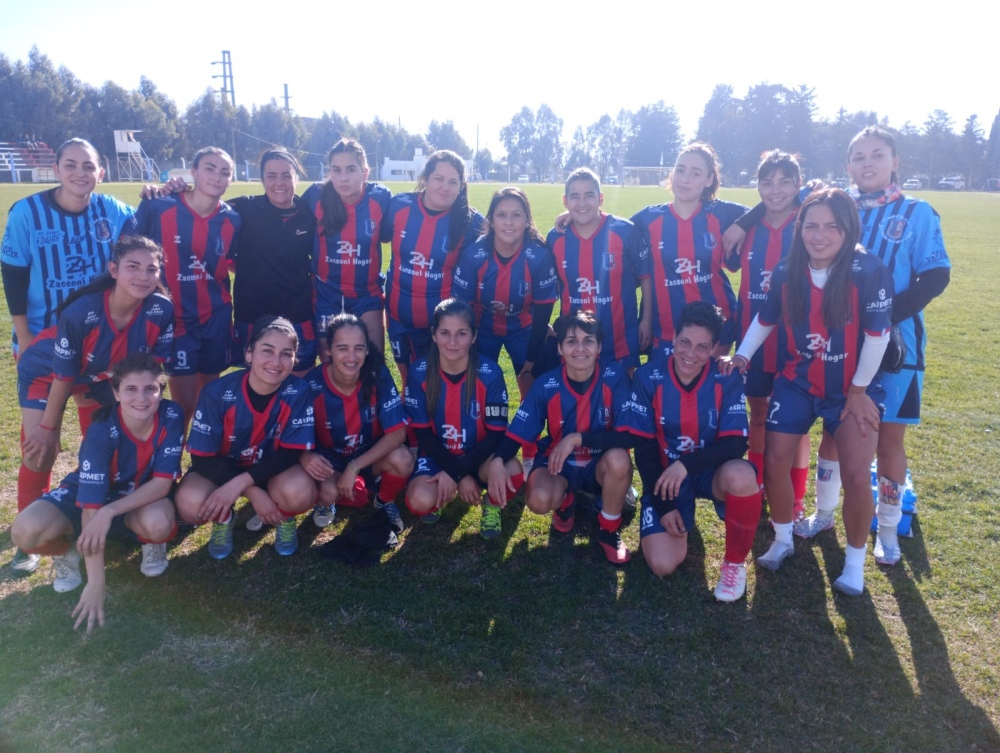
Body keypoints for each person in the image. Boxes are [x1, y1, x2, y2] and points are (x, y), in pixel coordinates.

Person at [797, 127, 951, 567]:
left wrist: (881, 317)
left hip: (897, 348)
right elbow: (779, 194)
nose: (868, 164)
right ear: (848, 165)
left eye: (877, 155)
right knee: (833, 430)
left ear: (895, 161)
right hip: (840, 344)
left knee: (889, 441)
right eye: (859, 157)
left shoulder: (918, 212)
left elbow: (936, 275)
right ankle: (824, 514)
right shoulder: (837, 206)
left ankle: (888, 530)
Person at [727, 189, 894, 596]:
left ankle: (854, 563)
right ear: (800, 228)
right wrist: (742, 356)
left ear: (848, 229)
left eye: (831, 227)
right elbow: (765, 319)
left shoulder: (868, 270)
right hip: (797, 383)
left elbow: (878, 336)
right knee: (774, 461)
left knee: (856, 475)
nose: (819, 236)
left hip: (853, 390)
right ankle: (783, 538)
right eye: (811, 226)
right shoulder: (788, 270)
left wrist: (857, 391)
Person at [13, 236, 173, 575]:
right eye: (133, 267)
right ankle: (31, 543)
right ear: (113, 269)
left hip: (101, 377)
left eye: (151, 269)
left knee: (102, 443)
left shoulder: (160, 308)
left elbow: (151, 366)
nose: (143, 276)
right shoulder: (83, 311)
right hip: (47, 375)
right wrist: (47, 428)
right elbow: (63, 375)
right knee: (39, 451)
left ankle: (106, 514)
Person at [10, 354, 184, 633]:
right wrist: (96, 581)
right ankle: (67, 552)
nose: (142, 398)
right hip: (90, 497)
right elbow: (91, 506)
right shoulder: (101, 430)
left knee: (159, 523)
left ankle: (148, 541)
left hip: (138, 498)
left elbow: (163, 484)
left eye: (151, 388)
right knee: (24, 531)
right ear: (115, 393)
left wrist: (110, 511)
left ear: (161, 391)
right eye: (130, 389)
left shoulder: (172, 415)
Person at [628, 301, 760, 601]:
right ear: (673, 338)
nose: (690, 354)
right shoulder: (649, 377)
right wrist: (664, 508)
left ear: (715, 348)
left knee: (741, 475)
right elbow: (644, 448)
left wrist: (686, 465)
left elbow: (736, 443)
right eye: (685, 342)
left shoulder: (726, 378)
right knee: (662, 564)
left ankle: (734, 564)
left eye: (702, 347)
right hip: (664, 478)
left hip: (707, 473)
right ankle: (678, 516)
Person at [488, 310, 633, 564]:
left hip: (601, 465)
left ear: (599, 347)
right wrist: (499, 460)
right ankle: (566, 501)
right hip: (559, 464)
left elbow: (628, 435)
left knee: (620, 460)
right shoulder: (547, 384)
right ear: (560, 348)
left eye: (588, 340)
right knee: (538, 498)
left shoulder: (615, 377)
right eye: (571, 341)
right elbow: (519, 430)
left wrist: (578, 438)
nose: (580, 348)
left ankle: (609, 531)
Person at [175, 316, 316, 559]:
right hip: (222, 469)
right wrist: (252, 493)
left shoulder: (299, 391)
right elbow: (200, 456)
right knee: (190, 504)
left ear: (295, 359)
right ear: (248, 354)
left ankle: (285, 516)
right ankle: (225, 517)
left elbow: (291, 452)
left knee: (299, 493)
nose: (276, 361)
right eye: (267, 351)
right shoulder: (217, 392)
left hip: (273, 471)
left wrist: (244, 484)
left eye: (286, 353)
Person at [729, 151, 811, 516]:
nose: (775, 190)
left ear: (798, 184)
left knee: (798, 422)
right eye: (767, 182)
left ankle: (795, 496)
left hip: (798, 340)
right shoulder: (748, 227)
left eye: (784, 182)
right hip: (755, 338)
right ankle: (761, 483)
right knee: (759, 414)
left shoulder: (809, 223)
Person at [133, 146, 241, 424]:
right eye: (209, 168)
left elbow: (230, 262)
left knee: (208, 397)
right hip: (176, 320)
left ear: (231, 179)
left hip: (216, 317)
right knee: (184, 406)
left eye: (225, 172)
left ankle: (201, 461)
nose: (217, 177)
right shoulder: (160, 207)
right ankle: (169, 464)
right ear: (193, 172)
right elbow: (128, 254)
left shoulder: (232, 219)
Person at [2, 138, 135, 357]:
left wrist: (158, 191)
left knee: (91, 392)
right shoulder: (26, 213)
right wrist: (24, 334)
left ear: (100, 174)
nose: (80, 173)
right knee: (47, 392)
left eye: (88, 167)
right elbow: (13, 275)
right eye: (70, 165)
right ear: (56, 170)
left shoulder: (113, 210)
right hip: (41, 332)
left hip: (96, 332)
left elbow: (149, 216)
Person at [404, 299, 522, 540]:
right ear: (434, 335)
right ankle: (440, 495)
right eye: (445, 333)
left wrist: (460, 473)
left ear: (474, 336)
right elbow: (423, 435)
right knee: (418, 501)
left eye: (462, 333)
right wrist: (455, 473)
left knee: (513, 472)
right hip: (438, 456)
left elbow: (496, 433)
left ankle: (491, 503)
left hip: (479, 455)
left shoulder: (490, 373)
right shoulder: (419, 372)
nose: (453, 342)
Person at [630, 142, 746, 358]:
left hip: (717, 326)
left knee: (708, 390)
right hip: (665, 329)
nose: (685, 179)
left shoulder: (722, 212)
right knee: (666, 391)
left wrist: (743, 224)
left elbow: (770, 208)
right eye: (680, 170)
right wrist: (573, 214)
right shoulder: (648, 218)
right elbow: (609, 228)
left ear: (709, 179)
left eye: (695, 173)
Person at [299, 313, 414, 529]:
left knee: (403, 460)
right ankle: (327, 501)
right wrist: (306, 456)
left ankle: (383, 499)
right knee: (327, 491)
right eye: (342, 348)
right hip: (330, 460)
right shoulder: (312, 384)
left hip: (368, 457)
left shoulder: (376, 375)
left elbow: (398, 433)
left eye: (359, 348)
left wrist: (355, 467)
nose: (351, 357)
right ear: (328, 350)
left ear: (367, 349)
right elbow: (293, 435)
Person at [381, 150, 486, 384]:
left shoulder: (471, 221)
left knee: (438, 385)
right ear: (426, 178)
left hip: (443, 326)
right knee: (409, 383)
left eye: (453, 182)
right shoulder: (400, 205)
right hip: (398, 317)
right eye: (439, 178)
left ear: (461, 187)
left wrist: (568, 217)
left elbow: (509, 232)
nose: (445, 187)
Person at [453, 186, 558, 402]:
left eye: (516, 215)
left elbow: (543, 312)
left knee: (530, 386)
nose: (509, 222)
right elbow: (462, 311)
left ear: (527, 220)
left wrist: (530, 361)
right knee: (476, 384)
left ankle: (527, 433)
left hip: (524, 329)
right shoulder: (474, 255)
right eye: (501, 215)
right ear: (491, 220)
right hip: (483, 328)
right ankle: (480, 430)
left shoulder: (538, 256)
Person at [547, 168, 652, 368]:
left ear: (601, 198)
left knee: (623, 397)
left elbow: (646, 277)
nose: (583, 203)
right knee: (578, 397)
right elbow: (549, 287)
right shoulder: (556, 237)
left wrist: (646, 320)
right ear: (565, 201)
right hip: (575, 344)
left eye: (589, 195)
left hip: (621, 339)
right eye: (575, 197)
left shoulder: (625, 232)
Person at [226, 148, 318, 373]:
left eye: (286, 175)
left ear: (297, 177)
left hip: (298, 313)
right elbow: (202, 204)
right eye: (271, 176)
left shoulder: (309, 214)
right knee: (256, 380)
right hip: (252, 314)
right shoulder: (244, 208)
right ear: (262, 179)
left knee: (299, 382)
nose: (280, 182)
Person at [303, 139, 391, 358]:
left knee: (373, 360)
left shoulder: (381, 198)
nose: (343, 178)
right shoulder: (315, 196)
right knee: (329, 362)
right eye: (336, 170)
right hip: (326, 293)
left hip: (366, 294)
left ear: (365, 172)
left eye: (351, 169)